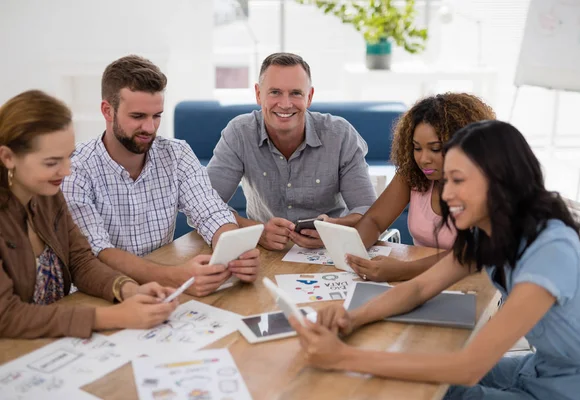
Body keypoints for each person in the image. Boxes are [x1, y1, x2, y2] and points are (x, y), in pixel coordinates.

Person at [290, 120, 580, 399]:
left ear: (500, 180)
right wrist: (351, 318)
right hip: (541, 370)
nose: (447, 194)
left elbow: (469, 368)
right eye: (446, 181)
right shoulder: (490, 232)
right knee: (417, 382)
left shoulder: (550, 250)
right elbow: (419, 289)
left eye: (458, 180)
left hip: (577, 390)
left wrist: (342, 357)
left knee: (428, 390)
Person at [61, 55, 260, 297]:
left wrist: (233, 250)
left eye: (156, 116)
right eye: (138, 116)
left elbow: (211, 212)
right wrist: (176, 277)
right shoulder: (76, 169)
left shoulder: (176, 154)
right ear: (107, 110)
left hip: (164, 292)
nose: (149, 128)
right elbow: (97, 252)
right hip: (101, 293)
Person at [0, 90, 179, 339]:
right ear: (8, 157)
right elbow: (6, 315)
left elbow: (81, 262)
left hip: (52, 341)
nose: (66, 172)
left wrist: (128, 289)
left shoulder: (48, 196)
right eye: (52, 162)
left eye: (67, 157)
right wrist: (113, 317)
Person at [207, 52, 377, 251]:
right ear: (258, 94)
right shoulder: (239, 133)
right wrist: (256, 231)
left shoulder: (340, 135)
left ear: (310, 96)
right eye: (275, 92)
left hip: (330, 252)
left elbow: (369, 213)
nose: (285, 104)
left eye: (296, 93)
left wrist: (333, 229)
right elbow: (204, 205)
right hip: (261, 252)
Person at [349, 93, 495, 282]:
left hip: (475, 283)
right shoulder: (413, 174)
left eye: (435, 149)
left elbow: (471, 254)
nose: (423, 159)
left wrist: (403, 270)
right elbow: (375, 220)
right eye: (417, 148)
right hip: (423, 283)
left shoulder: (487, 186)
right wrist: (352, 254)